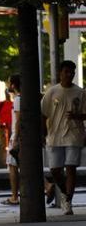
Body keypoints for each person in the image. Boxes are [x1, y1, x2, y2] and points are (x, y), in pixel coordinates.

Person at [41, 60, 86, 215]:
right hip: (54, 136)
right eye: (66, 71)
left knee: (71, 168)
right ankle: (61, 190)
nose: (69, 74)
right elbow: (43, 114)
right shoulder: (51, 92)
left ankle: (68, 202)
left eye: (72, 72)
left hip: (74, 135)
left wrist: (77, 116)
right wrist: (43, 133)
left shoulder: (80, 92)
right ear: (60, 73)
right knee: (55, 170)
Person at [1, 75, 21, 206]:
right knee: (23, 165)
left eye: (9, 83)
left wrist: (15, 139)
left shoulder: (18, 99)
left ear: (13, 85)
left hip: (17, 136)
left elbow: (19, 120)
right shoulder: (23, 98)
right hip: (20, 136)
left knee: (12, 166)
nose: (8, 86)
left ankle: (14, 196)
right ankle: (47, 186)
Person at [0, 88, 14, 154]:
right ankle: (4, 160)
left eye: (9, 93)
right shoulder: (1, 104)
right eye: (6, 93)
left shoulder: (14, 103)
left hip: (12, 127)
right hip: (3, 127)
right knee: (3, 144)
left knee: (12, 144)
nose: (8, 94)